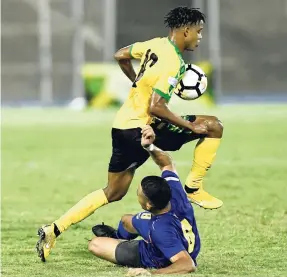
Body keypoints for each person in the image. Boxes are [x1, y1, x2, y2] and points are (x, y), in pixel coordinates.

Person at [36, 7, 223, 262]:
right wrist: (191, 127)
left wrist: (137, 83)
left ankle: (53, 229)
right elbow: (157, 107)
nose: (200, 37)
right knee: (212, 126)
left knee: (112, 192)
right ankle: (193, 186)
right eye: (199, 32)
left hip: (122, 126)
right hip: (142, 128)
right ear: (186, 30)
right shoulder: (174, 63)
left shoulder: (154, 44)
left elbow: (120, 55)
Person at [89, 125, 200, 275]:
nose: (137, 193)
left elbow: (187, 264)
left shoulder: (159, 229)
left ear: (148, 204)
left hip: (156, 256)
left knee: (96, 244)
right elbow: (167, 163)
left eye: (139, 194)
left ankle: (123, 242)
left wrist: (151, 273)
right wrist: (149, 146)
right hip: (175, 235)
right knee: (126, 220)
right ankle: (117, 236)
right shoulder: (175, 193)